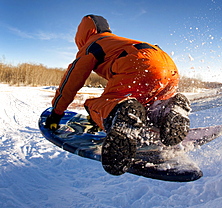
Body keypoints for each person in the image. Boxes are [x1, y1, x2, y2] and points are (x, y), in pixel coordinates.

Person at [45, 14, 191, 175]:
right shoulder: (116, 41)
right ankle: (168, 110)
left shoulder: (93, 44)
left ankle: (119, 116)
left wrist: (56, 113)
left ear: (81, 34)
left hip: (136, 63)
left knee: (97, 104)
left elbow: (71, 81)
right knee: (148, 105)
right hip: (167, 64)